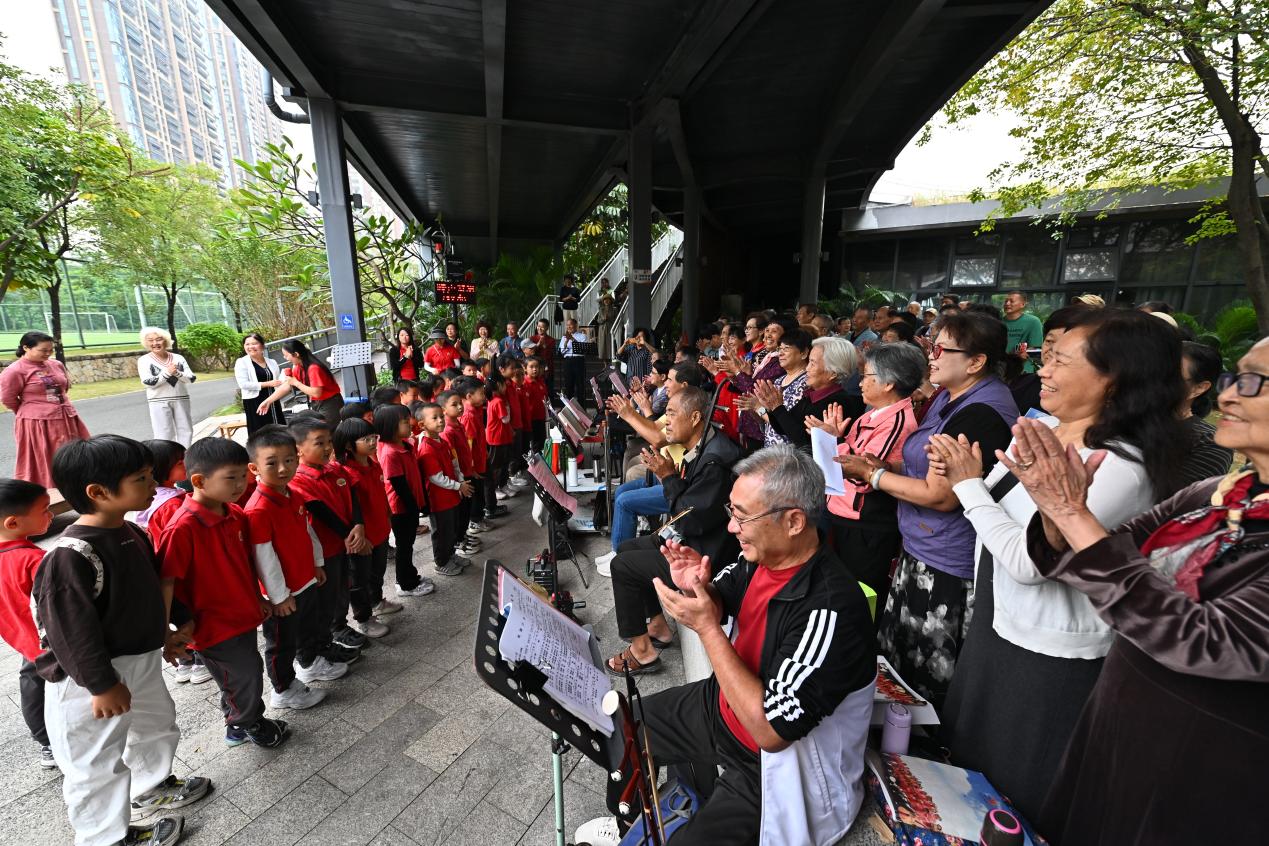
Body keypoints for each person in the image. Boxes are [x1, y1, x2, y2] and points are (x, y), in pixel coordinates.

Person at [991, 337, 1269, 844]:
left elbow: (1205, 639)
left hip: (1207, 764)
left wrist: (1070, 512)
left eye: (1254, 383)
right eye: (1234, 378)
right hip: (1122, 722)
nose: (1228, 396)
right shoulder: (1214, 496)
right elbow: (1093, 552)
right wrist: (1059, 511)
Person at [931, 308, 1184, 823]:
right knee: (968, 771)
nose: (1042, 371)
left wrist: (966, 485)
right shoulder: (1046, 428)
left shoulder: (1118, 467)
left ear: (1114, 380)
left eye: (1059, 361)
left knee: (1015, 792)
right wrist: (970, 478)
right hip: (998, 621)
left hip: (1049, 652)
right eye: (1045, 358)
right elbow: (1001, 512)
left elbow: (1030, 562)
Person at [576, 445, 876, 846]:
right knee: (625, 727)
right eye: (731, 512)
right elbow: (722, 600)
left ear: (793, 521)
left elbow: (773, 731)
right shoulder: (761, 557)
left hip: (771, 764)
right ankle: (630, 823)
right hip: (725, 709)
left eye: (742, 516)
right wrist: (698, 588)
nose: (732, 528)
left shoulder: (830, 608)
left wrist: (706, 629)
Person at [33, 435, 211, 846]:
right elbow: (69, 631)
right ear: (98, 492)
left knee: (154, 723)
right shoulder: (70, 555)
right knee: (95, 759)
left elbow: (154, 585)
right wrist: (100, 684)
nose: (153, 485)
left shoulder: (132, 531)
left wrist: (176, 626)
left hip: (139, 661)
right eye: (142, 478)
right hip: (90, 679)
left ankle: (152, 784)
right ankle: (104, 836)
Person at [838, 312, 1018, 707]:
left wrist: (874, 476)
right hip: (922, 546)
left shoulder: (980, 412)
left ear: (975, 362)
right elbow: (922, 461)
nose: (930, 355)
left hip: (946, 561)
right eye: (930, 345)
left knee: (924, 673)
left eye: (940, 348)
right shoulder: (949, 396)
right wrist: (891, 467)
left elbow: (943, 495)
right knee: (899, 661)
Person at [155, 437, 291, 749]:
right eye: (231, 478)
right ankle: (245, 723)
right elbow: (167, 582)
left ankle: (239, 717)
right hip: (212, 626)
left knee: (237, 675)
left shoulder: (234, 515)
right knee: (245, 674)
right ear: (199, 481)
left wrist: (257, 598)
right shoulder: (183, 528)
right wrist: (166, 631)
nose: (242, 484)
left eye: (244, 476)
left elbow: (244, 564)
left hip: (242, 614)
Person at [605, 387, 740, 675]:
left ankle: (642, 651)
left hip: (704, 556)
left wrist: (667, 476)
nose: (665, 422)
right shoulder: (705, 444)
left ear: (694, 418)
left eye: (671, 414)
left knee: (622, 565)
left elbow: (689, 518)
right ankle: (657, 624)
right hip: (693, 539)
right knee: (628, 548)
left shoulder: (715, 461)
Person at [810, 342, 926, 597]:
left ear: (889, 383)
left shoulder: (897, 423)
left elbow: (863, 476)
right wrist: (830, 439)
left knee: (858, 593)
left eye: (866, 376)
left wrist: (835, 442)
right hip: (844, 513)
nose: (860, 383)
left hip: (865, 525)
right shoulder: (871, 415)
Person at [244, 424, 337, 708]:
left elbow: (308, 531)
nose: (283, 469)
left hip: (305, 578)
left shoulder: (292, 494)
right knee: (281, 643)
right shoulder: (259, 508)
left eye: (289, 460)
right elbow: (264, 556)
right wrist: (279, 596)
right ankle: (282, 689)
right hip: (283, 592)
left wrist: (317, 564)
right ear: (254, 468)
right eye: (272, 463)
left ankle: (308, 664)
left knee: (307, 627)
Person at [286, 415, 364, 675]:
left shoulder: (334, 469)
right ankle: (322, 645)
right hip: (325, 551)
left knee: (341, 590)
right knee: (325, 599)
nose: (328, 447)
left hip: (343, 544)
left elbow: (352, 495)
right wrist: (350, 533)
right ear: (298, 449)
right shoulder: (297, 479)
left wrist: (358, 526)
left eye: (329, 441)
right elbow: (320, 512)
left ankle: (334, 634)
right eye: (319, 443)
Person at [0, 478, 56, 769]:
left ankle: (45, 744)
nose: (52, 515)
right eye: (45, 510)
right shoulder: (34, 560)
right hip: (51, 640)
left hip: (21, 638)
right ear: (12, 523)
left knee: (32, 684)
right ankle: (57, 739)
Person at [332, 418, 396, 638]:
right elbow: (349, 512)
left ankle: (377, 601)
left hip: (380, 530)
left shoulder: (373, 463)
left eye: (374, 437)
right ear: (349, 445)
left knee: (378, 572)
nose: (372, 442)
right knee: (359, 579)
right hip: (364, 538)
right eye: (366, 439)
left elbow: (380, 492)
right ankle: (364, 619)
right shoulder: (346, 474)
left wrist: (388, 512)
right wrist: (361, 539)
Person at [1, 331, 89, 488]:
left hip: (66, 417)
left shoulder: (56, 364)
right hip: (38, 423)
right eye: (43, 350)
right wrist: (30, 411)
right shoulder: (15, 371)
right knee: (46, 458)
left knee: (76, 454)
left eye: (51, 350)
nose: (48, 354)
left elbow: (64, 387)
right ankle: (46, 496)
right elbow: (8, 399)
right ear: (26, 348)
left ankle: (77, 490)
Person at [375, 404, 436, 599]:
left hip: (410, 504)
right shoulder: (389, 452)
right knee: (404, 546)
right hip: (401, 508)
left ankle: (411, 576)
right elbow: (398, 484)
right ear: (390, 426)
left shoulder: (403, 445)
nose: (410, 424)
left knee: (408, 545)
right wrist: (413, 509)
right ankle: (405, 584)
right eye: (404, 422)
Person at [417, 403, 474, 577]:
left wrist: (460, 479)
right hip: (439, 499)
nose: (440, 420)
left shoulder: (441, 441)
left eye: (441, 416)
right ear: (422, 424)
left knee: (451, 530)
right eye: (434, 418)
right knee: (441, 532)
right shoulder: (426, 448)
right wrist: (459, 486)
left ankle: (450, 555)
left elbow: (454, 463)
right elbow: (436, 478)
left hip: (451, 496)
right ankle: (441, 562)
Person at [736, 328, 812, 447]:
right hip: (771, 451)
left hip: (790, 455)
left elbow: (787, 425)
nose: (780, 353)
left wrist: (758, 407)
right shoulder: (778, 381)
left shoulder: (806, 383)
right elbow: (767, 422)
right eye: (779, 349)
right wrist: (752, 408)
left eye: (786, 349)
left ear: (804, 353)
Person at [1007, 306, 1084, 415]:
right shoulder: (1019, 386)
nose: (1053, 349)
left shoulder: (1090, 399)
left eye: (1065, 343)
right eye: (1049, 341)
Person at [1177, 340, 1234, 489]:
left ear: (1198, 388)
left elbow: (1176, 506)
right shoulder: (1122, 419)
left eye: (1169, 376)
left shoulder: (1209, 443)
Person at [437, 389, 482, 559]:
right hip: (460, 476)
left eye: (459, 403)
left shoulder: (459, 424)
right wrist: (460, 479)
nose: (459, 407)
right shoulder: (447, 431)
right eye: (454, 405)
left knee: (466, 509)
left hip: (467, 472)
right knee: (461, 511)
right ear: (443, 409)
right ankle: (458, 541)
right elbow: (453, 458)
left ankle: (462, 535)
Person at [136, 328, 197, 447]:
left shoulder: (178, 358)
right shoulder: (144, 360)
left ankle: (185, 457)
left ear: (166, 341)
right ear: (146, 343)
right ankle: (167, 459)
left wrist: (177, 373)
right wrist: (167, 372)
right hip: (158, 400)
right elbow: (148, 382)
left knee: (186, 429)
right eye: (151, 340)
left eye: (159, 339)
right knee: (163, 433)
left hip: (181, 398)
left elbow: (191, 378)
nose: (155, 343)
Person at [259, 340, 344, 425]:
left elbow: (316, 393)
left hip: (330, 403)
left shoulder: (313, 368)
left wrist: (296, 383)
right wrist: (268, 401)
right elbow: (287, 385)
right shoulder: (298, 367)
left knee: (324, 432)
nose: (285, 358)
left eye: (286, 355)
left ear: (296, 354)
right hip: (317, 403)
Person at [456, 377, 495, 532]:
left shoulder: (475, 411)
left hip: (480, 459)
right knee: (476, 493)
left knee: (480, 491)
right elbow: (469, 443)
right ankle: (475, 520)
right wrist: (471, 467)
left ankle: (478, 517)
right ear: (468, 396)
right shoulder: (469, 416)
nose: (484, 396)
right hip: (474, 464)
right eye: (481, 393)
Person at [235, 333, 286, 434]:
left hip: (272, 399)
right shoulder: (242, 362)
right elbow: (243, 384)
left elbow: (277, 382)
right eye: (247, 344)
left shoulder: (272, 362)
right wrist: (268, 384)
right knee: (261, 432)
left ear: (262, 345)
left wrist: (285, 378)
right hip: (255, 401)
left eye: (254, 343)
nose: (250, 347)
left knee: (278, 428)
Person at [483, 373, 515, 519]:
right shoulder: (498, 401)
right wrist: (508, 408)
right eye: (503, 384)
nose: (506, 386)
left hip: (500, 436)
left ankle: (500, 486)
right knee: (496, 465)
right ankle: (496, 488)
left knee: (501, 463)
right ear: (498, 386)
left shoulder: (494, 400)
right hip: (498, 438)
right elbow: (505, 420)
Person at [1001, 290, 1044, 374]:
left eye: (1012, 301)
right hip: (999, 370)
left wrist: (1020, 353)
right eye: (1006, 301)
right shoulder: (998, 321)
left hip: (1022, 371)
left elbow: (1036, 347)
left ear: (1023, 304)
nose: (1007, 304)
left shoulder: (1033, 321)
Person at [522, 358, 549, 457]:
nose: (535, 369)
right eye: (531, 367)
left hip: (541, 418)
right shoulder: (524, 383)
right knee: (533, 446)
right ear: (525, 368)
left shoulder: (541, 381)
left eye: (536, 367)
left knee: (542, 443)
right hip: (530, 420)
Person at [560, 317, 588, 401]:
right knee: (568, 384)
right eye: (567, 325)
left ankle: (582, 408)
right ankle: (569, 408)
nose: (569, 327)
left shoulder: (583, 336)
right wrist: (566, 341)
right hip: (568, 361)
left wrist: (572, 339)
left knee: (580, 385)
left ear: (575, 326)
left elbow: (582, 349)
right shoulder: (564, 337)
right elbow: (562, 351)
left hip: (579, 361)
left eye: (570, 324)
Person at [529, 318, 556, 390]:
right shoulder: (532, 339)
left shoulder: (551, 340)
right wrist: (538, 345)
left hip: (547, 369)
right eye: (538, 326)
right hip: (535, 369)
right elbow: (530, 354)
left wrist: (544, 346)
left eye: (542, 327)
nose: (539, 328)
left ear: (547, 328)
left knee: (549, 391)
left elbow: (550, 354)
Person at [597, 280, 617, 359]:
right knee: (602, 345)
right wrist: (603, 319)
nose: (606, 301)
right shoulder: (601, 309)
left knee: (610, 344)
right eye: (605, 300)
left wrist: (609, 319)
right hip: (602, 328)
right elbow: (598, 320)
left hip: (610, 327)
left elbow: (616, 319)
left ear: (610, 301)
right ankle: (604, 364)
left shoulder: (614, 309)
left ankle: (610, 361)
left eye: (608, 299)